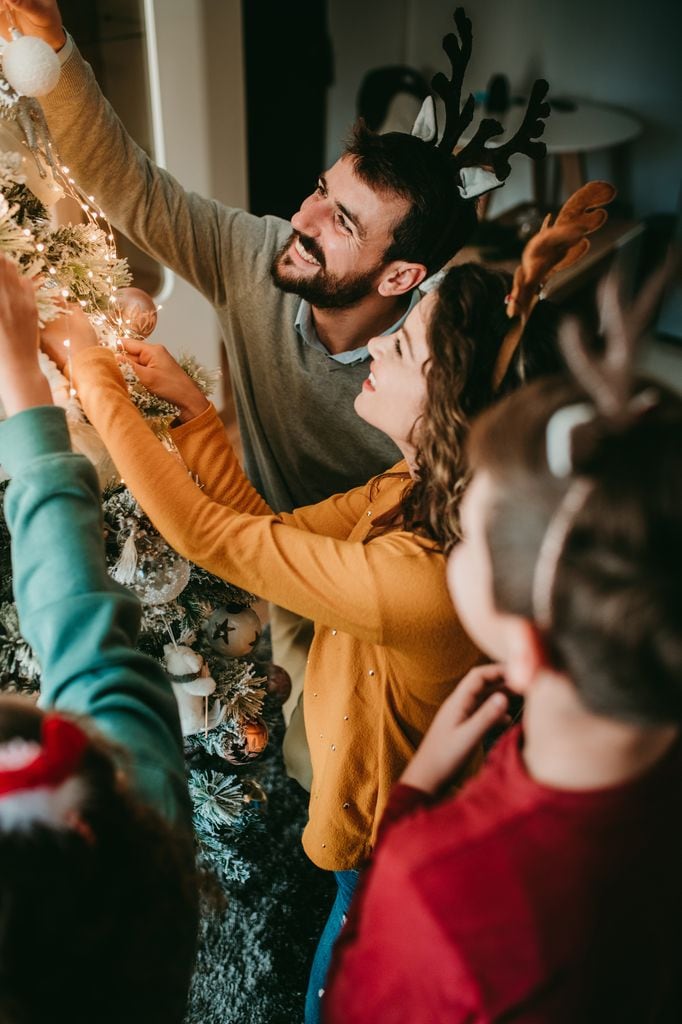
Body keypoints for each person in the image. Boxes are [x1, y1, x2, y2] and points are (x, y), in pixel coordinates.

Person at [0, 0, 547, 790]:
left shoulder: (425, 387)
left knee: (337, 778)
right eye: (322, 190)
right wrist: (56, 48)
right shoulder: (261, 258)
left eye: (341, 221)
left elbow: (215, 537)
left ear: (401, 280)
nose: (303, 216)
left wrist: (82, 371)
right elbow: (132, 188)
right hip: (271, 550)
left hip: (368, 608)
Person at [39, 257, 561, 1023]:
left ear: (450, 404)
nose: (377, 347)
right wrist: (190, 410)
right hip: (374, 813)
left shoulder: (420, 581)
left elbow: (211, 537)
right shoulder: (409, 488)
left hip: (387, 844)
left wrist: (92, 371)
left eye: (405, 346)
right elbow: (268, 532)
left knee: (340, 995)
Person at [323, 365, 682, 1021]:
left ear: (528, 647)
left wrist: (410, 802)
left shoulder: (432, 885)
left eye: (469, 536)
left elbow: (360, 995)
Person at [0, 255, 198, 1023]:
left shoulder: (132, 824)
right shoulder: (136, 831)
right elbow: (88, 642)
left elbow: (90, 653)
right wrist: (28, 385)